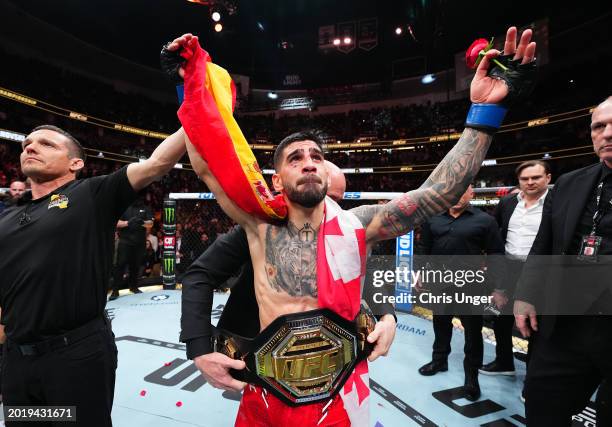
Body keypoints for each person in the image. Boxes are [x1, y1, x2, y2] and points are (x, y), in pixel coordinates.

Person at [178, 26, 537, 425]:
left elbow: (437, 192)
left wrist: (484, 114)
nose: (310, 161)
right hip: (266, 395)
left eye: (315, 155)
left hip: (340, 393)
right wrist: (191, 82)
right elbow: (210, 160)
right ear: (276, 180)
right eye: (295, 158)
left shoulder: (358, 224)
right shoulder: (257, 224)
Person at [0, 37, 187, 426]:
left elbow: (158, 161)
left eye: (46, 143)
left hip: (75, 357)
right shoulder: (5, 218)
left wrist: (192, 92)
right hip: (17, 360)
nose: (30, 147)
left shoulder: (91, 194)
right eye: (28, 143)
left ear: (75, 163)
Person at [180, 161, 397, 380]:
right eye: (324, 197)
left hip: (325, 357)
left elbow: (360, 273)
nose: (329, 207)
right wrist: (199, 347)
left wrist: (388, 316)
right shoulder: (263, 227)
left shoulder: (343, 229)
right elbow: (201, 274)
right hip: (260, 352)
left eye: (337, 201)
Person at [514, 97, 612, 426]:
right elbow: (544, 244)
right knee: (541, 406)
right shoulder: (570, 183)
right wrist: (526, 293)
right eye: (599, 126)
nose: (607, 134)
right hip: (565, 324)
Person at [416, 185, 505, 401]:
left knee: (473, 331)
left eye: (463, 191)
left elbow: (496, 255)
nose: (457, 196)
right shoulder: (433, 219)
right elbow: (424, 249)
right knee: (440, 322)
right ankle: (439, 360)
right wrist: (418, 273)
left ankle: (471, 378)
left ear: (471, 194)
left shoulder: (485, 220)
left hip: (471, 284)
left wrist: (499, 287)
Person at [481, 161, 550, 383]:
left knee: (536, 325)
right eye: (525, 179)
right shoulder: (508, 202)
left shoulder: (556, 203)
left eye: (536, 177)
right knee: (500, 318)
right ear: (519, 181)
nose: (530, 182)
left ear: (547, 178)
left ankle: (533, 378)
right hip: (508, 268)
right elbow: (496, 238)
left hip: (540, 271)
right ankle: (504, 362)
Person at [109, 198, 154, 300]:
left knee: (136, 266)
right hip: (125, 242)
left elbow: (151, 223)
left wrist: (141, 222)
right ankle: (115, 290)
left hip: (139, 243)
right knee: (120, 265)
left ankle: (133, 287)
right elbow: (116, 223)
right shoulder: (124, 207)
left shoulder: (145, 208)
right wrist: (128, 223)